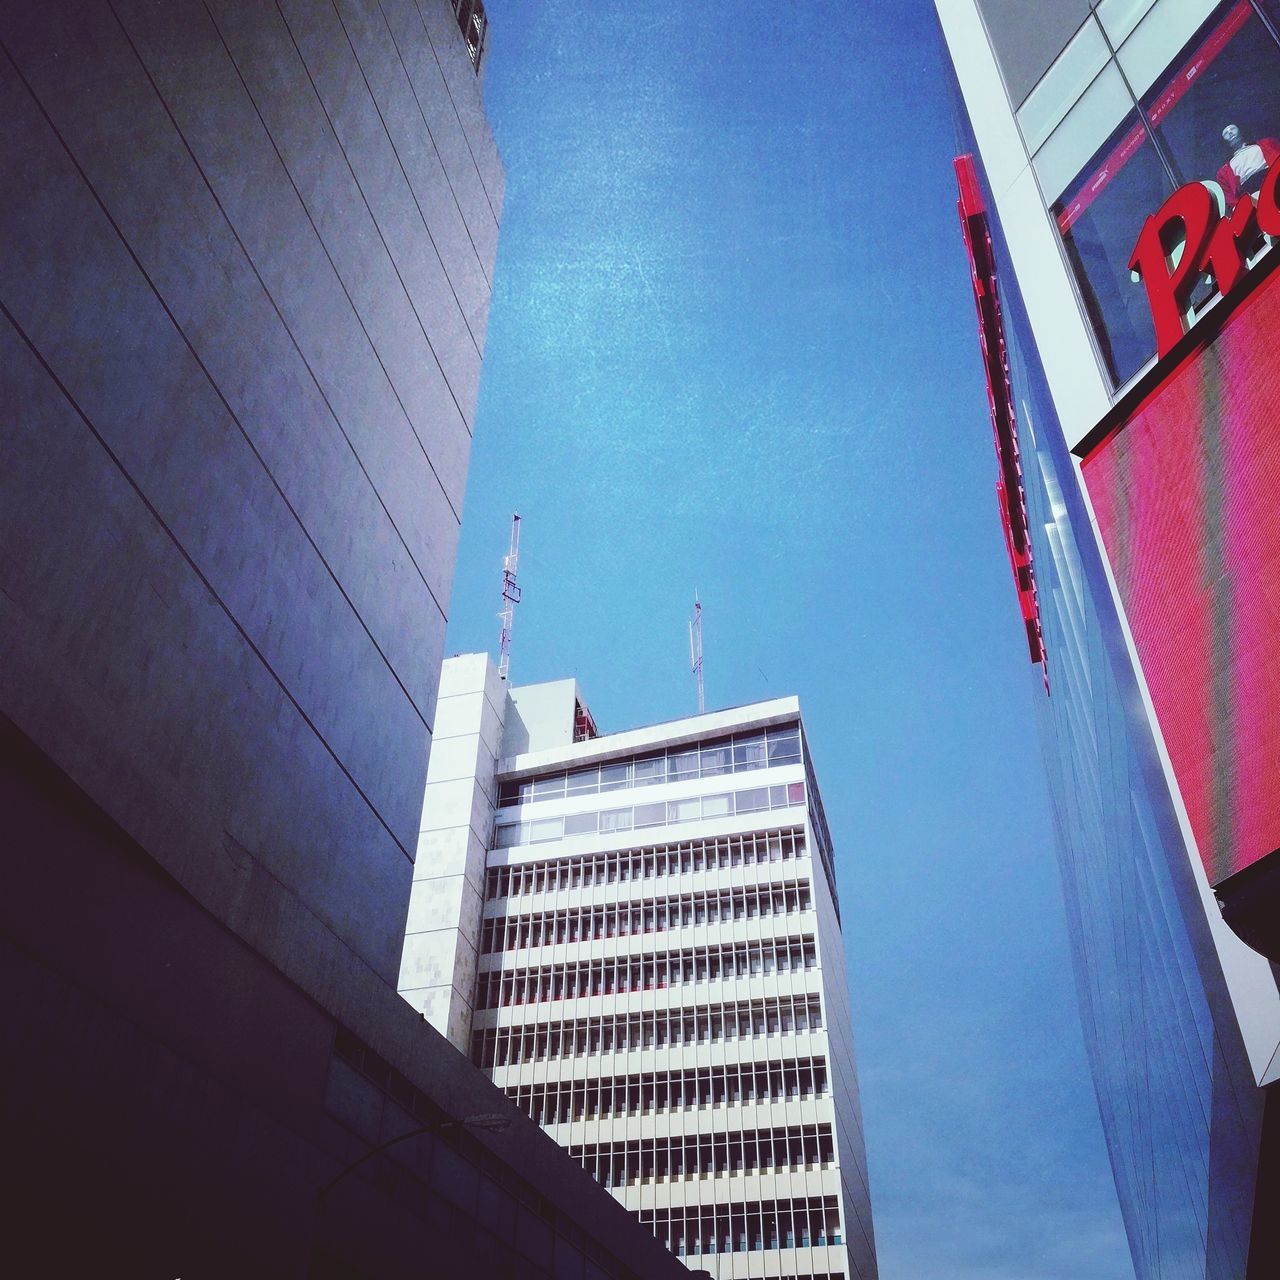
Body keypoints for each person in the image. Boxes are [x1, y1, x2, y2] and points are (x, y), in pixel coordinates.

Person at [1217, 123, 1280, 205]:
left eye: (1232, 129)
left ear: (1240, 130)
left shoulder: (1267, 143)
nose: (1230, 133)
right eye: (1226, 133)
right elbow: (1231, 198)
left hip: (1274, 179)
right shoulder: (1223, 172)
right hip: (1252, 193)